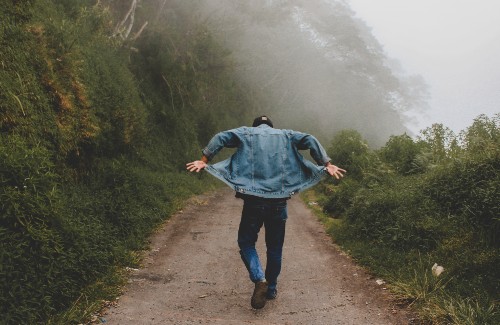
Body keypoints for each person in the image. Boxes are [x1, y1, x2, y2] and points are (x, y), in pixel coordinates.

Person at [186, 115, 346, 309]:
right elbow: (310, 139)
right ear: (272, 126)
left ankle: (259, 277)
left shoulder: (246, 133)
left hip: (253, 201)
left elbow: (221, 137)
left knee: (246, 242)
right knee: (275, 248)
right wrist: (326, 163)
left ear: (256, 126)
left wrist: (204, 160)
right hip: (278, 202)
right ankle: (270, 290)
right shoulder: (286, 135)